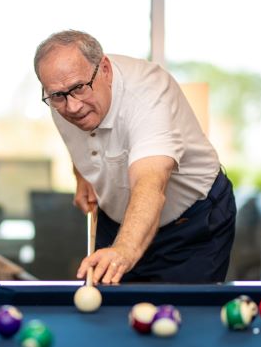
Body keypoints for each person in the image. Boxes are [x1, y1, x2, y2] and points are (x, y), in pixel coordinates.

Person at [33, 30, 236, 284]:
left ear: (104, 69)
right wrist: (82, 175)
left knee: (179, 317)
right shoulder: (61, 93)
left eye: (78, 89)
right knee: (110, 315)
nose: (72, 106)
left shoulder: (148, 95)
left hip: (192, 225)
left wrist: (124, 251)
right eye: (58, 96)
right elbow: (79, 139)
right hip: (116, 220)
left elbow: (151, 183)